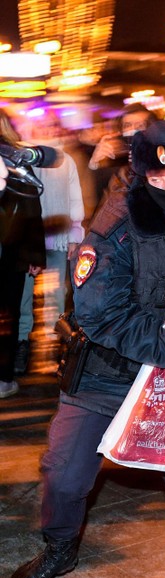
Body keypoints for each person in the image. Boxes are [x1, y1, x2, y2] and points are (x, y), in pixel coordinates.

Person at [5, 119, 165, 578]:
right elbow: (99, 312)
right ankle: (60, 548)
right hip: (108, 372)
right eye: (157, 178)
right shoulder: (116, 221)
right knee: (63, 475)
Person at [16, 112, 86, 375]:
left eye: (50, 124)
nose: (45, 128)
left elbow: (74, 198)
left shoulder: (64, 160)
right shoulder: (22, 156)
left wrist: (74, 235)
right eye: (40, 125)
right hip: (27, 238)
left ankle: (55, 346)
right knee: (23, 296)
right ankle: (21, 346)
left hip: (57, 237)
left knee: (56, 297)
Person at [0, 109, 45, 399]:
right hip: (11, 251)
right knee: (7, 314)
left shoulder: (16, 158)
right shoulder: (17, 158)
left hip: (11, 250)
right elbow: (31, 209)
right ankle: (3, 378)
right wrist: (34, 255)